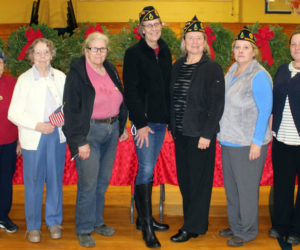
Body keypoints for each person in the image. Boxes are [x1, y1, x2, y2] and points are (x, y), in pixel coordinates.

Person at [62, 32, 128, 248]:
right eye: (95, 48)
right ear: (86, 50)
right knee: (88, 183)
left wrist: (122, 125)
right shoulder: (77, 73)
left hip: (111, 130)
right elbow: (70, 110)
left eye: (103, 49)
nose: (99, 53)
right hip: (88, 132)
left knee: (102, 181)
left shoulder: (109, 68)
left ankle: (97, 221)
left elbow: (120, 97)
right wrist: (79, 141)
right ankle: (83, 227)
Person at [169, 16, 225, 243]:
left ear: (204, 41)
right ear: (184, 41)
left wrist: (207, 134)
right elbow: (172, 98)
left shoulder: (212, 68)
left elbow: (217, 104)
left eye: (198, 38)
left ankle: (192, 226)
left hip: (199, 135)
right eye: (190, 38)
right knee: (186, 180)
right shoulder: (177, 66)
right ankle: (196, 219)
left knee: (199, 181)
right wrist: (172, 128)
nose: (194, 42)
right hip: (181, 133)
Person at [217, 27, 273, 247]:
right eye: (238, 47)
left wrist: (257, 142)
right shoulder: (232, 70)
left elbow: (265, 109)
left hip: (248, 143)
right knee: (232, 188)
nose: (241, 51)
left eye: (246, 48)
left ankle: (247, 231)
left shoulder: (258, 75)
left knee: (247, 189)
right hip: (229, 140)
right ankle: (236, 225)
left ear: (254, 52)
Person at [8, 38, 66, 242]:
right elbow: (13, 113)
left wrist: (63, 119)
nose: (42, 56)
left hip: (57, 136)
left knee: (55, 180)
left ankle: (53, 221)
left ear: (52, 55)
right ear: (32, 55)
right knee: (33, 182)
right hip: (34, 136)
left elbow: (69, 105)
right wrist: (37, 125)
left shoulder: (60, 77)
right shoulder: (24, 80)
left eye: (46, 52)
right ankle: (33, 226)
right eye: (38, 53)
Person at [123, 6, 171, 249]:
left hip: (161, 122)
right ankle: (147, 229)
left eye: (157, 25)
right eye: (149, 26)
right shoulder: (133, 53)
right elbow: (130, 90)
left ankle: (145, 219)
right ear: (142, 30)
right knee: (145, 169)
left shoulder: (165, 51)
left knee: (149, 171)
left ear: (161, 27)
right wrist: (139, 124)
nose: (154, 29)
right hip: (144, 123)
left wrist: (169, 120)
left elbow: (167, 88)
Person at [268, 30, 300, 245]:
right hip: (281, 140)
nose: (297, 48)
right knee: (282, 185)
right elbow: (274, 102)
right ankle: (281, 225)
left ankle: (297, 228)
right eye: (294, 44)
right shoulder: (281, 70)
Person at [0, 49, 20, 233]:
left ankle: (3, 216)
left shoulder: (12, 83)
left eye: (0, 62)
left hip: (8, 142)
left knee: (5, 180)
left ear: (4, 65)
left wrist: (20, 140)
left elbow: (21, 112)